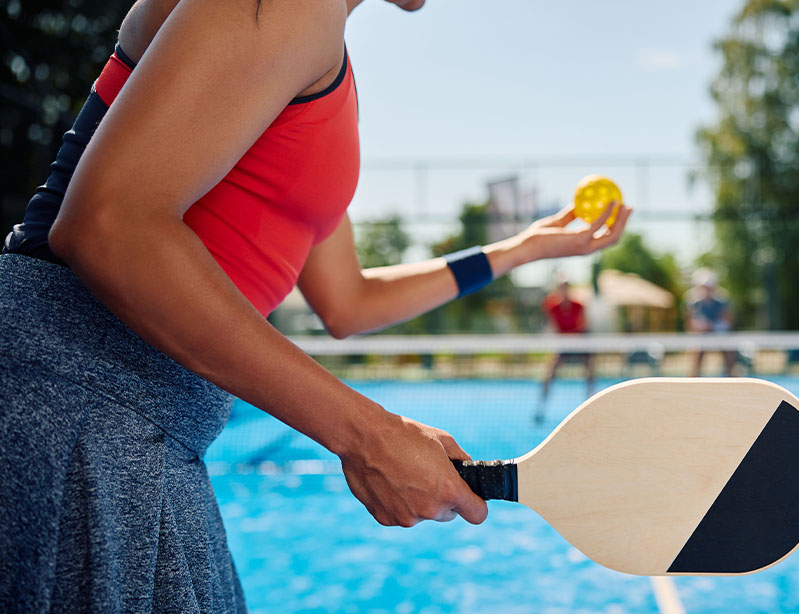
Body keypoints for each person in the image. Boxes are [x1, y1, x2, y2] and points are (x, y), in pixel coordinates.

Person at [0, 1, 631, 611]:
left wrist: (521, 250)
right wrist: (369, 434)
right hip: (76, 396)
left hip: (152, 419)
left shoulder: (318, 54)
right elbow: (108, 226)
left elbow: (348, 302)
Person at [535, 275, 594, 424]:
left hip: (579, 343)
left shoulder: (578, 305)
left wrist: (575, 339)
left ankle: (591, 404)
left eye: (566, 286)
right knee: (549, 374)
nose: (564, 289)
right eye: (561, 286)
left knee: (591, 371)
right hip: (563, 345)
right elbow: (553, 326)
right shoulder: (552, 306)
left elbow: (584, 325)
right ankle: (540, 408)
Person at [684, 268, 738, 377]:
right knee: (697, 350)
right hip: (701, 336)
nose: (706, 290)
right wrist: (700, 327)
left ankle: (732, 376)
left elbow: (727, 321)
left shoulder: (722, 301)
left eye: (708, 287)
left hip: (720, 333)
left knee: (729, 350)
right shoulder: (693, 302)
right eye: (703, 287)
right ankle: (694, 379)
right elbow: (690, 323)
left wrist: (711, 326)